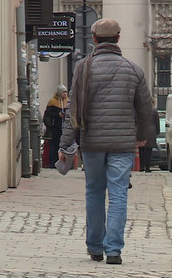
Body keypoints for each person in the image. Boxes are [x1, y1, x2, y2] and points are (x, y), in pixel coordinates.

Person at [59, 18, 152, 265]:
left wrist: (64, 144)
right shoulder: (134, 69)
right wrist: (142, 137)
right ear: (119, 39)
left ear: (94, 39)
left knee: (94, 192)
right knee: (119, 194)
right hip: (123, 144)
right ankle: (114, 250)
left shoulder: (83, 68)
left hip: (92, 143)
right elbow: (145, 108)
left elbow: (73, 110)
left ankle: (95, 246)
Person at [43, 84, 69, 168]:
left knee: (64, 145)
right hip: (55, 127)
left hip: (65, 127)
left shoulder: (67, 101)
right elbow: (48, 113)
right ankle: (53, 162)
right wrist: (57, 115)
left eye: (65, 92)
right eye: (63, 92)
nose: (65, 94)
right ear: (59, 93)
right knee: (54, 145)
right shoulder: (52, 101)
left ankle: (65, 163)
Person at [138, 100, 160, 172]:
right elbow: (157, 122)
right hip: (151, 132)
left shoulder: (139, 110)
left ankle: (141, 167)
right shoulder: (154, 111)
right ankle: (147, 167)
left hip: (141, 130)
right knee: (148, 151)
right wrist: (157, 131)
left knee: (141, 150)